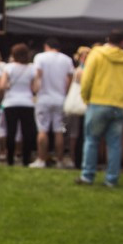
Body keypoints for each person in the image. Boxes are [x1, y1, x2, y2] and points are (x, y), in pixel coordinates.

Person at [78, 30, 123, 187]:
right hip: (119, 105)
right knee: (114, 143)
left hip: (97, 102)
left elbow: (87, 78)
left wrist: (85, 98)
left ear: (107, 39)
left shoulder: (96, 55)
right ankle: (111, 178)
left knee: (91, 140)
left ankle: (87, 175)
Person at [32, 37, 74, 168]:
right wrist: (65, 93)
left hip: (44, 97)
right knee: (58, 131)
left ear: (46, 46)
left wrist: (35, 90)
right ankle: (60, 160)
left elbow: (38, 75)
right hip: (60, 98)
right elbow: (69, 79)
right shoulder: (66, 59)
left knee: (42, 130)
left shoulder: (40, 57)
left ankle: (41, 159)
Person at [0, 43, 38, 167]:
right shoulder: (32, 68)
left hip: (11, 102)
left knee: (11, 131)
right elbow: (35, 88)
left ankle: (10, 158)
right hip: (27, 103)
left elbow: (2, 85)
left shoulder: (8, 67)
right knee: (27, 132)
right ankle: (25, 159)